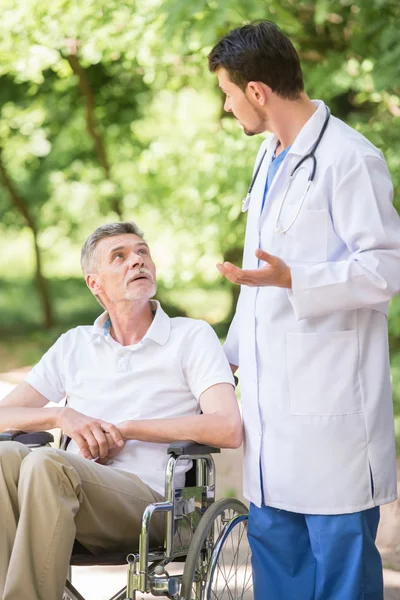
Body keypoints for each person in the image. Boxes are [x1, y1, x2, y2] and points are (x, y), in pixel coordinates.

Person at [208, 20, 400, 600]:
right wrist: (227, 362)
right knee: (279, 571)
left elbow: (386, 267)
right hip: (274, 426)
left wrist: (300, 279)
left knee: (339, 576)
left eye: (227, 92)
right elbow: (255, 284)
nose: (226, 105)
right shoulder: (270, 156)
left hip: (333, 418)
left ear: (258, 91)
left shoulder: (349, 158)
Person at [0, 221, 242, 600]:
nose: (137, 261)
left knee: (46, 463)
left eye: (142, 252)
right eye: (120, 257)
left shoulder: (190, 336)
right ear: (94, 283)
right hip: (61, 493)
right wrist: (61, 417)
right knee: (5, 456)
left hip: (154, 505)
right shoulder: (74, 344)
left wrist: (129, 429)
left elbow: (227, 426)